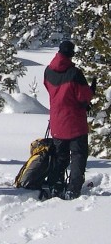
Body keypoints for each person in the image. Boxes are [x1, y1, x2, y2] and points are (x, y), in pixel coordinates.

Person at [44, 40, 95, 200]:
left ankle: (55, 184)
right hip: (75, 123)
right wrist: (91, 91)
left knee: (60, 156)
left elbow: (50, 89)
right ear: (71, 54)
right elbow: (83, 97)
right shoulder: (75, 73)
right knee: (78, 155)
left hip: (57, 122)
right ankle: (73, 189)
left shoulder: (48, 71)